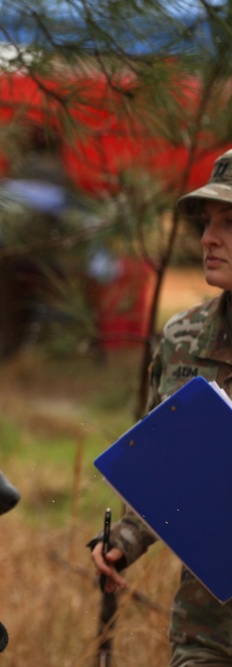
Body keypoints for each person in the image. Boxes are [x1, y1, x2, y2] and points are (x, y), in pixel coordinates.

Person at [91, 149, 232, 666]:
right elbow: (167, 469)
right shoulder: (183, 339)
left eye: (229, 222)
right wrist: (126, 538)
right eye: (207, 223)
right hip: (209, 629)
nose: (208, 238)